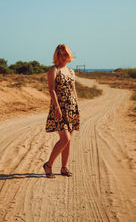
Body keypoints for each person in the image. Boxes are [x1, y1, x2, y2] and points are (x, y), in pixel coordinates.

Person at [43, 44, 80, 178]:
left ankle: (64, 168)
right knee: (65, 138)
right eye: (60, 54)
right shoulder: (54, 70)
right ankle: (48, 165)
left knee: (68, 140)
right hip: (59, 108)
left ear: (69, 55)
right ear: (56, 55)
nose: (63, 57)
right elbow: (51, 90)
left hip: (71, 107)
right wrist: (57, 108)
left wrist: (77, 106)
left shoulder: (71, 71)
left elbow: (73, 89)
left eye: (65, 54)